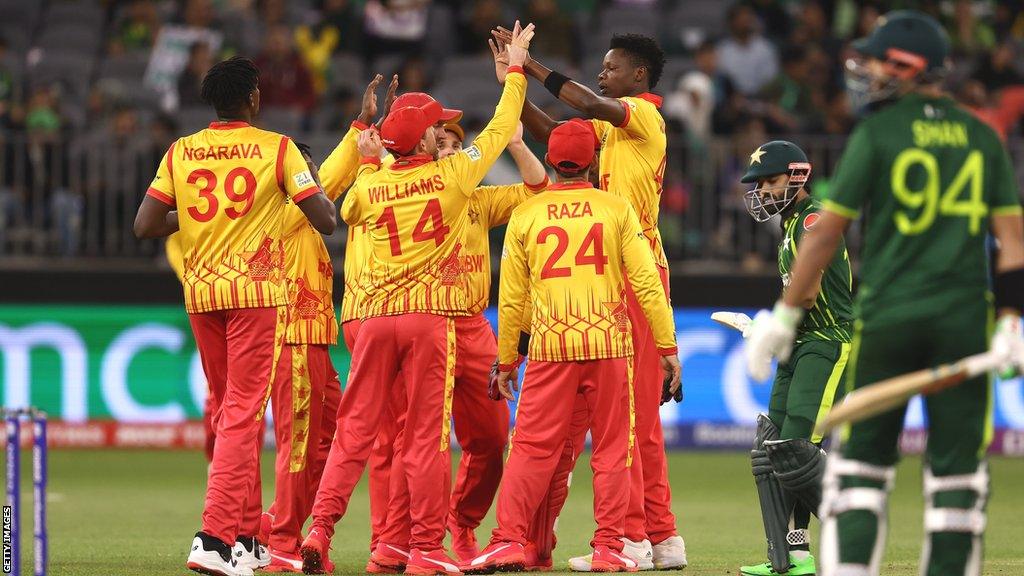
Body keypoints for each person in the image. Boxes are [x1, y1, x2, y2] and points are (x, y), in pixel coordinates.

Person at [744, 11, 1024, 576]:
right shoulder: (982, 135)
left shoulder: (879, 132)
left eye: (876, 62)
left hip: (888, 321)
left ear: (906, 67)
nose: (867, 72)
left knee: (863, 474)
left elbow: (824, 238)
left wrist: (781, 317)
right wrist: (1012, 320)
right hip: (965, 321)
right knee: (957, 477)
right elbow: (1013, 244)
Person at [299, 21, 535, 576]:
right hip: (428, 319)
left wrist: (370, 157)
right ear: (424, 140)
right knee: (425, 441)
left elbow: (344, 214)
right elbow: (502, 127)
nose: (439, 134)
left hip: (375, 317)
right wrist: (517, 71)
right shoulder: (454, 177)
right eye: (433, 129)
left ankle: (321, 529)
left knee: (356, 434)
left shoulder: (370, 184)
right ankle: (427, 550)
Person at [490, 27, 686, 570]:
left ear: (639, 75)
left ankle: (636, 538)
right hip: (610, 269)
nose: (603, 74)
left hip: (634, 266)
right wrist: (511, 82)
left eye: (612, 66)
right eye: (602, 67)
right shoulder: (612, 132)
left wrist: (530, 66)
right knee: (633, 417)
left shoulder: (643, 115)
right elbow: (558, 135)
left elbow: (587, 103)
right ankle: (660, 537)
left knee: (633, 417)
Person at [132, 56, 337, 576]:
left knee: (228, 412)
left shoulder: (182, 151)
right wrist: (265, 205)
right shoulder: (277, 148)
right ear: (253, 99)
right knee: (244, 414)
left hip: (202, 294)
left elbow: (146, 224)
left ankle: (246, 539)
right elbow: (325, 220)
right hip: (256, 293)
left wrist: (209, 214)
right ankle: (214, 537)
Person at [366, 118, 549, 573]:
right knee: (415, 440)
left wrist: (516, 143)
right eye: (440, 143)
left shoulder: (478, 201)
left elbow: (539, 189)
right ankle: (397, 539)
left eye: (455, 145)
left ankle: (460, 525)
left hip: (471, 328)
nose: (448, 150)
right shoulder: (406, 192)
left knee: (489, 436)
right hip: (420, 321)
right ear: (424, 150)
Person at [732, 140, 852, 576]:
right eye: (758, 184)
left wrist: (771, 328)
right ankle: (787, 555)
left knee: (797, 448)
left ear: (797, 178)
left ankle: (845, 537)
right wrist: (764, 329)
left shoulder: (814, 218)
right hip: (800, 342)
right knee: (773, 447)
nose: (762, 191)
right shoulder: (790, 225)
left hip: (826, 340)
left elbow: (808, 292)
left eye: (770, 181)